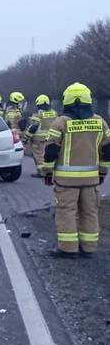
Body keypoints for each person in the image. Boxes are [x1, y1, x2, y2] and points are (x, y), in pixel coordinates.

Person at [41, 83, 110, 258]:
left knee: (66, 212)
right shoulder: (100, 122)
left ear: (67, 100)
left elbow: (50, 153)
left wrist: (47, 173)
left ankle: (68, 249)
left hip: (66, 182)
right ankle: (89, 248)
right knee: (90, 212)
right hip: (91, 181)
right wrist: (102, 173)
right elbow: (107, 152)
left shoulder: (61, 122)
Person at [25, 95, 58, 177]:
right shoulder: (54, 113)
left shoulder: (38, 114)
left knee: (38, 155)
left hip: (38, 139)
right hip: (51, 138)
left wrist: (26, 137)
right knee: (47, 154)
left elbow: (33, 127)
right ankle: (49, 171)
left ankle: (41, 172)